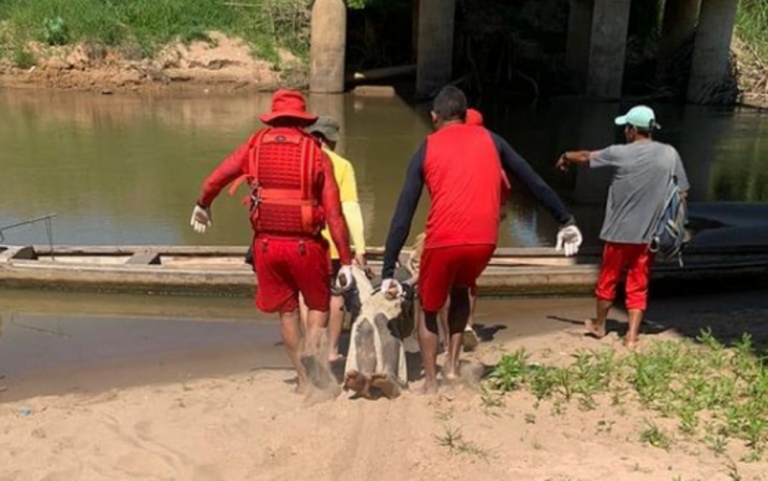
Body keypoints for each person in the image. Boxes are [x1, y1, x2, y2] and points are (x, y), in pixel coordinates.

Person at [382, 86, 583, 393]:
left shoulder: (427, 146)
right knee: (461, 290)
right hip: (485, 241)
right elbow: (531, 179)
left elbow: (403, 212)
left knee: (429, 307)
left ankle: (432, 384)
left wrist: (387, 270)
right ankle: (451, 369)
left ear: (434, 117)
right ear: (464, 116)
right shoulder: (492, 139)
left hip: (443, 240)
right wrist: (564, 220)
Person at [190, 90, 354, 391]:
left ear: (274, 117)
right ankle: (312, 353)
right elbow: (334, 214)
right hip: (306, 247)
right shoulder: (316, 153)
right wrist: (345, 260)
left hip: (266, 246)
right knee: (318, 306)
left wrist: (203, 203)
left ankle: (303, 381)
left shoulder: (254, 146)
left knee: (287, 311)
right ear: (302, 120)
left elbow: (216, 178)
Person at [556, 105, 689, 348]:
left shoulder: (619, 153)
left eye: (626, 128)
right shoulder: (670, 154)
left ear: (631, 130)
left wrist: (566, 156)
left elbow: (585, 156)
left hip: (617, 235)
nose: (625, 132)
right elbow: (683, 192)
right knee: (638, 284)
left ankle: (599, 326)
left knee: (607, 280)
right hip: (648, 237)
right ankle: (631, 336)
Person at [300, 115, 367, 363]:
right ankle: (331, 351)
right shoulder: (342, 165)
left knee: (306, 294)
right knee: (336, 294)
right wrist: (359, 248)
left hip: (305, 242)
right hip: (334, 245)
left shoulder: (300, 161)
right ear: (329, 140)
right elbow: (350, 208)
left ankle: (310, 346)